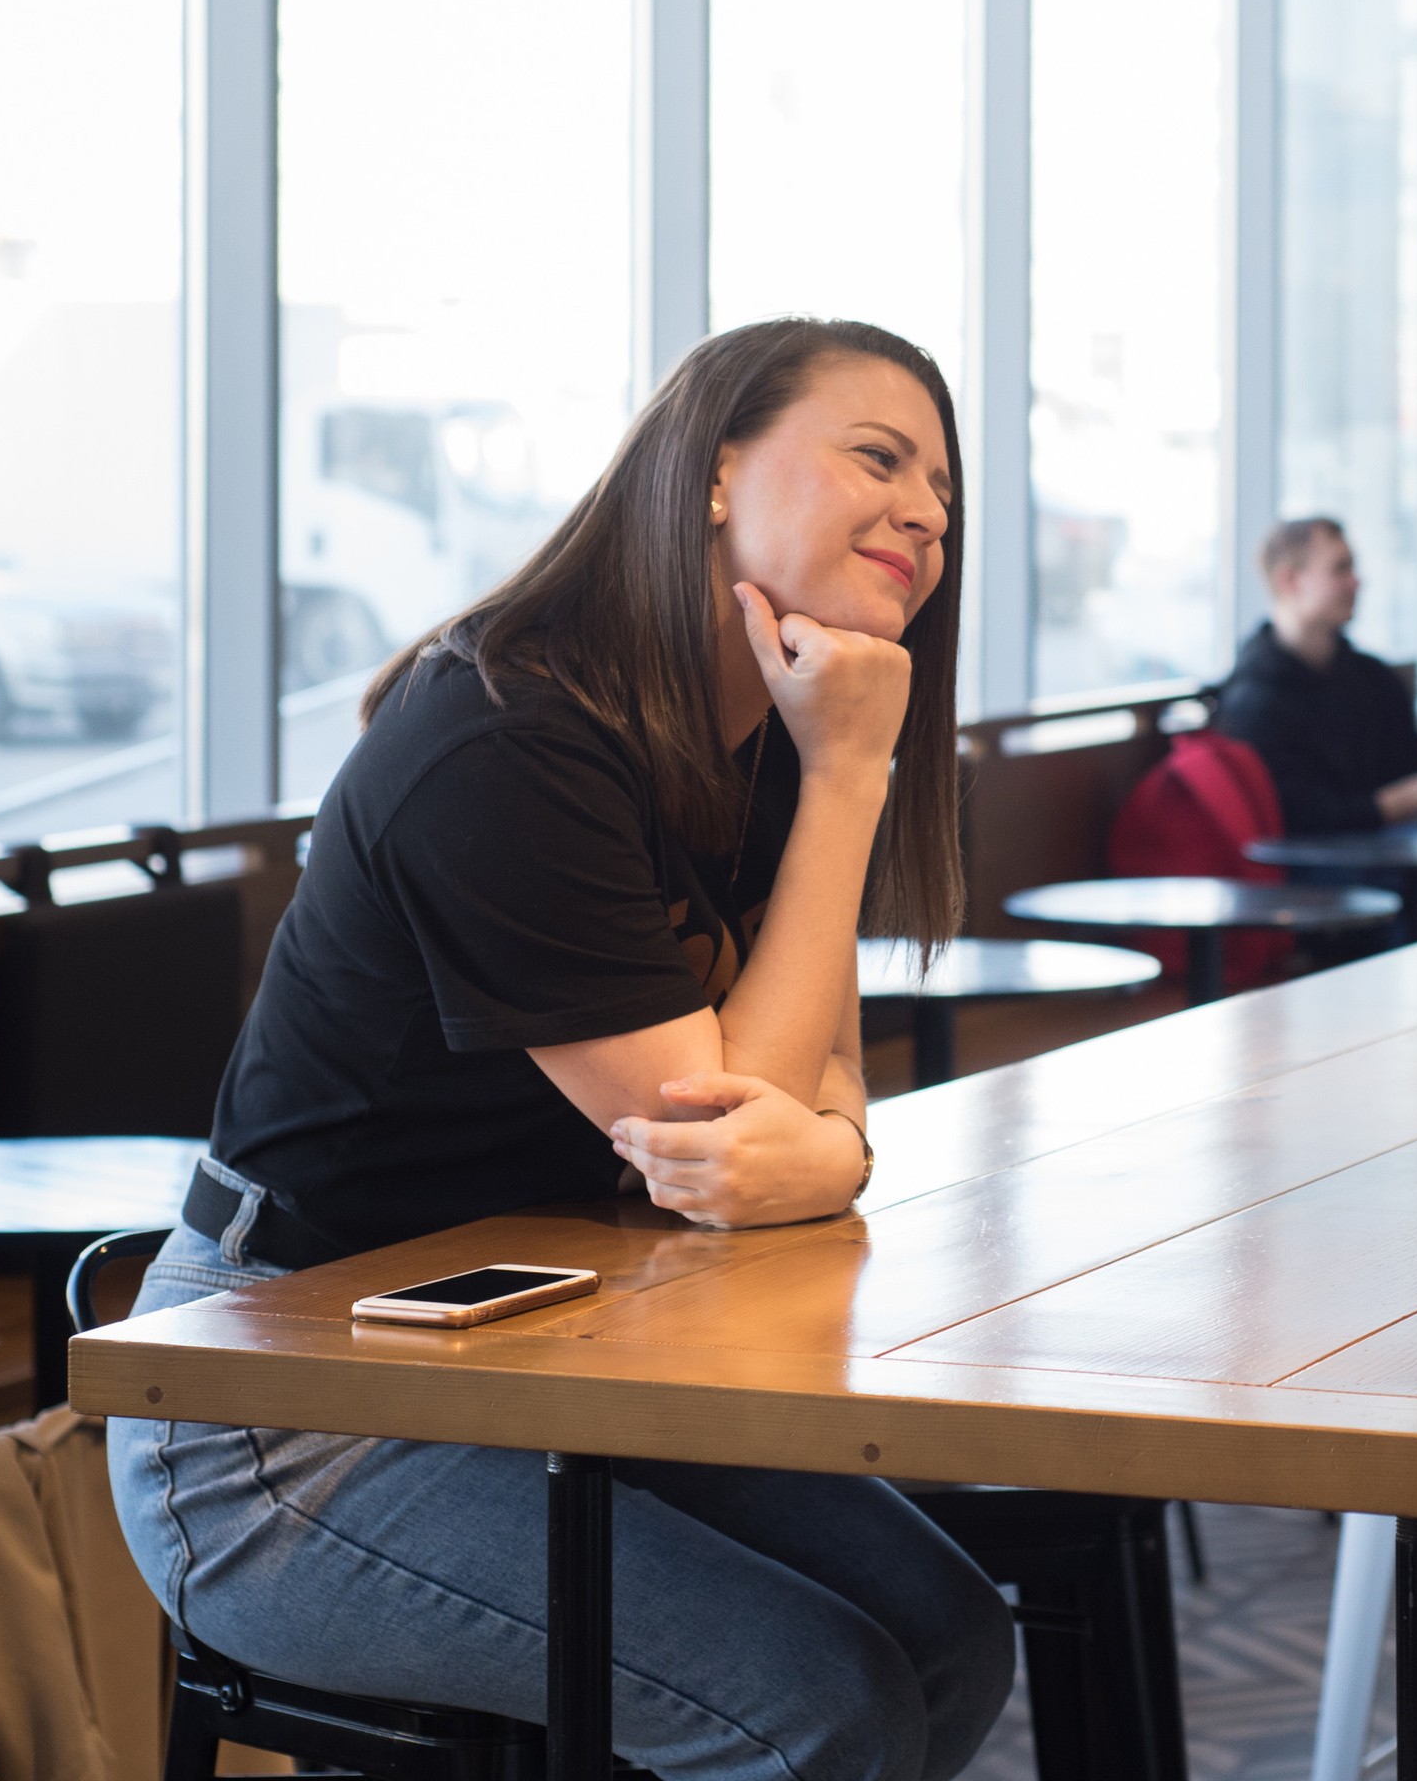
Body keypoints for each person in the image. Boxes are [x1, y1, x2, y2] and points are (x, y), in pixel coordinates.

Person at [107, 318, 1015, 1781]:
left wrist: (830, 1148)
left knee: (951, 1631)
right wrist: (854, 774)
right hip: (287, 1410)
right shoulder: (508, 735)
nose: (927, 510)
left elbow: (825, 1090)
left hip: (552, 1345)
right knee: (816, 1697)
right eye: (880, 457)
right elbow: (719, 1135)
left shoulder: (781, 718)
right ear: (715, 473)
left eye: (946, 492)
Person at [1215, 517, 1417, 833]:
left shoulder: (1371, 676)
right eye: (1341, 568)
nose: (1356, 582)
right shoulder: (1252, 702)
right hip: (1325, 876)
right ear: (1290, 581)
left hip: (1392, 859)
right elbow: (1301, 820)